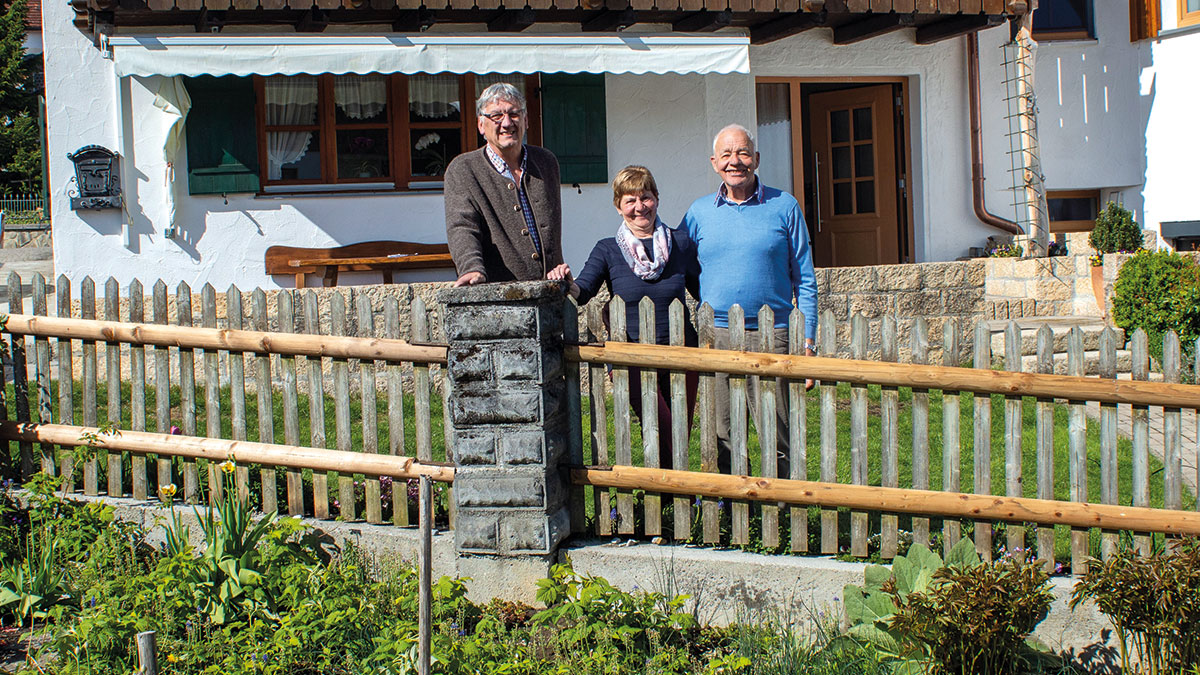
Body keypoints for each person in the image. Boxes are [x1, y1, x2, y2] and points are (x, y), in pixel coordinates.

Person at [681, 124, 818, 478]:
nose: (735, 161)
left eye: (742, 153)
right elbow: (678, 264)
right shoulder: (698, 213)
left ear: (756, 158)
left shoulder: (784, 206)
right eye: (726, 154)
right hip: (717, 336)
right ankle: (732, 507)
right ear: (714, 163)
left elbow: (805, 279)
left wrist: (808, 341)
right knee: (724, 433)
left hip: (775, 334)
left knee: (779, 432)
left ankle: (784, 505)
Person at [548, 165, 700, 468]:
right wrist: (565, 281)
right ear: (618, 207)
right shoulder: (607, 250)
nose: (639, 207)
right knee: (661, 426)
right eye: (630, 200)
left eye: (646, 197)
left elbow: (702, 290)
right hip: (631, 358)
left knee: (678, 428)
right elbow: (583, 291)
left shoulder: (681, 243)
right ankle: (673, 487)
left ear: (657, 199)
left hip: (682, 354)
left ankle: (665, 491)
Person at [444, 82, 563, 286]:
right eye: (496, 116)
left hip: (550, 290)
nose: (507, 123)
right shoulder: (463, 169)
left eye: (514, 114)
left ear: (526, 120)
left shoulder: (546, 162)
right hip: (499, 292)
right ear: (481, 125)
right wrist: (471, 268)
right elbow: (463, 226)